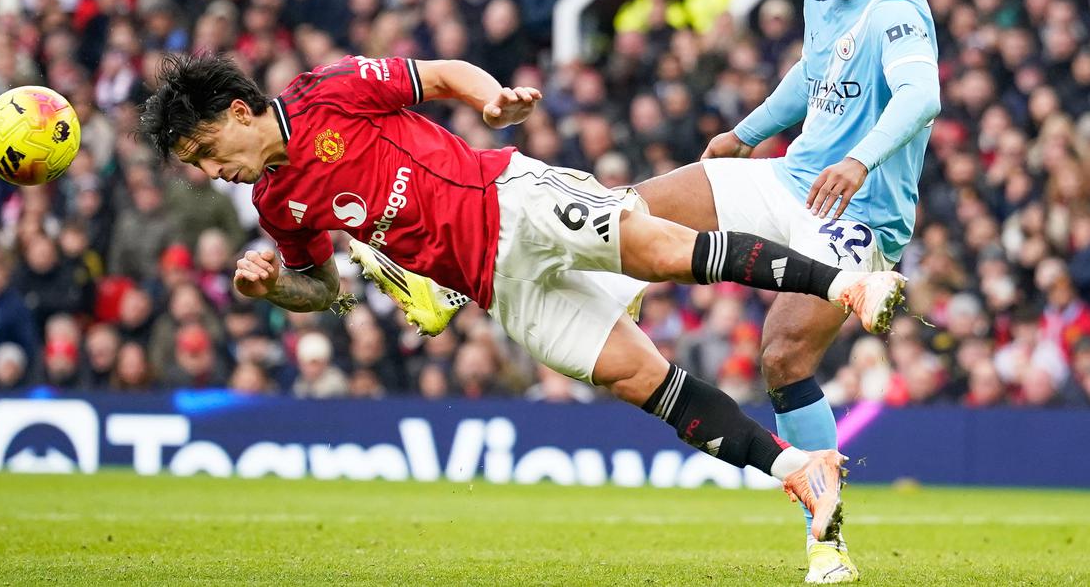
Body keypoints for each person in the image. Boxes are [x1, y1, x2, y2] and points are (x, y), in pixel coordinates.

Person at [137, 50, 908, 548]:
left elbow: (435, 75)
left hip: (512, 199)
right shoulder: (277, 207)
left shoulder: (324, 96)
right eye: (196, 166)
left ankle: (847, 282)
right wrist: (278, 287)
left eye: (206, 152)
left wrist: (491, 98)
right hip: (496, 288)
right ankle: (798, 471)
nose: (211, 171)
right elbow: (326, 287)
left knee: (667, 252)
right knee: (638, 380)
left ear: (237, 113)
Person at [632, 0, 948, 581]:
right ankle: (605, 285)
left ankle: (826, 538)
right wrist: (743, 135)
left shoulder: (896, 6)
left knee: (781, 356)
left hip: (857, 211)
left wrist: (859, 160)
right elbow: (811, 78)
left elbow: (921, 95)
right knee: (631, 208)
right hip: (789, 178)